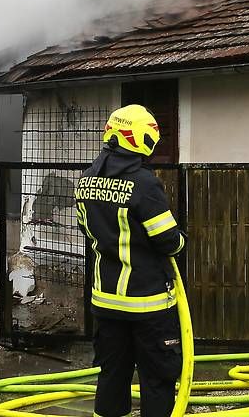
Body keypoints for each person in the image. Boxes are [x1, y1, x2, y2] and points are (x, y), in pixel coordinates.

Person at [75, 105, 186, 417]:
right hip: (147, 303)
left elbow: (86, 229)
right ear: (142, 140)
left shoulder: (85, 180)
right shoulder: (144, 183)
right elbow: (168, 240)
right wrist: (182, 241)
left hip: (106, 302)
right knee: (157, 379)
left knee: (112, 376)